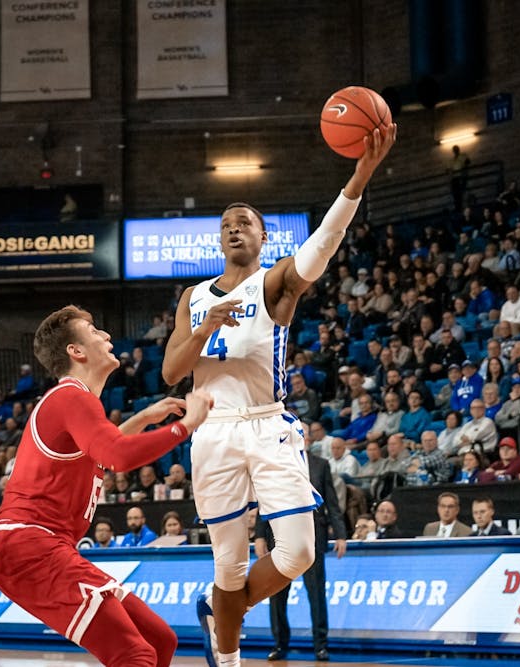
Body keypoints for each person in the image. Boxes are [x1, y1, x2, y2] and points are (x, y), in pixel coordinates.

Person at [161, 123, 395, 667]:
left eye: (245, 222)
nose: (234, 228)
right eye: (226, 224)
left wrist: (358, 176)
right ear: (219, 239)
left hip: (267, 423)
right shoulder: (193, 297)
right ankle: (230, 654)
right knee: (227, 564)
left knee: (298, 553)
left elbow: (324, 244)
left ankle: (224, 611)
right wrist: (203, 329)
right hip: (212, 431)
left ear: (264, 238)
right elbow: (173, 373)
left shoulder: (274, 283)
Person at [0, 305, 213, 667]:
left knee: (159, 640)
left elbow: (100, 455)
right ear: (75, 352)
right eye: (95, 332)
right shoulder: (69, 397)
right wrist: (185, 427)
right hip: (29, 546)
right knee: (134, 653)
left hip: (42, 546)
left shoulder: (76, 402)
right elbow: (118, 456)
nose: (107, 336)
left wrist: (142, 418)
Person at [255, 452, 346, 662]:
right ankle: (279, 645)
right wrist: (259, 535)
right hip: (279, 536)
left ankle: (321, 646)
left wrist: (340, 534)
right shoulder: (273, 461)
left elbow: (331, 502)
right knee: (277, 595)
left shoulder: (320, 464)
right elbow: (264, 500)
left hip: (312, 537)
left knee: (316, 594)